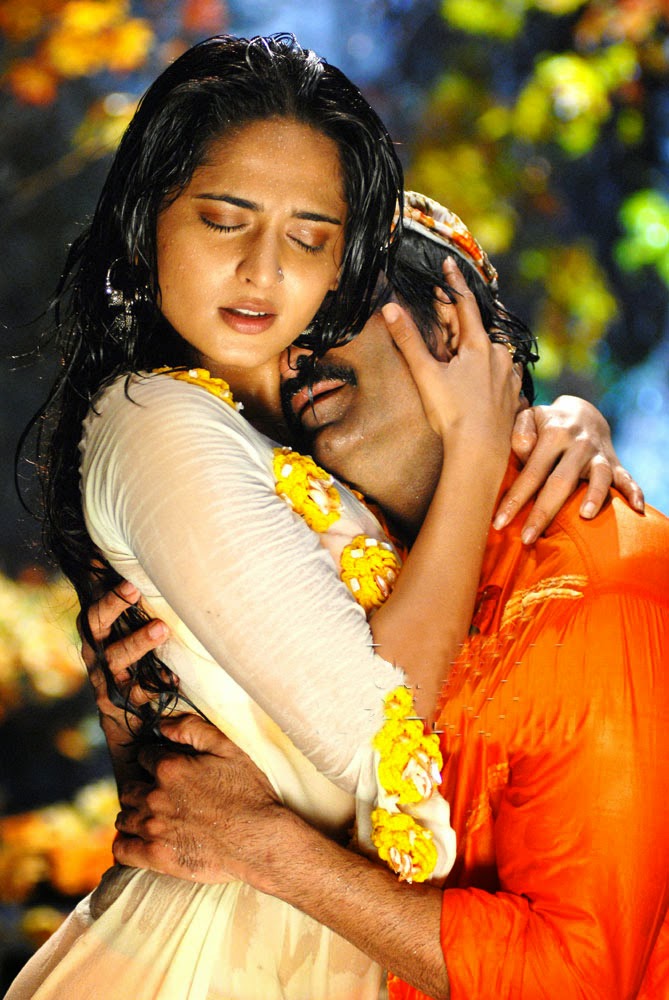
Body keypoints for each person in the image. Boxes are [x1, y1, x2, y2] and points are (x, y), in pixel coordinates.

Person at [9, 32, 558, 1000]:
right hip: (212, 957)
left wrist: (552, 426)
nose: (263, 270)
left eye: (308, 238)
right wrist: (479, 449)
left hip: (326, 938)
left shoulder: (296, 439)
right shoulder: (157, 422)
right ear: (145, 222)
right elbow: (378, 729)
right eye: (225, 220)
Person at [95, 194, 668, 999]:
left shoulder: (593, 592)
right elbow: (199, 817)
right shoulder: (342, 573)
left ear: (449, 321)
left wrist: (269, 849)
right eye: (281, 333)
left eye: (330, 313)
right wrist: (145, 719)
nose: (294, 355)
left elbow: (575, 980)